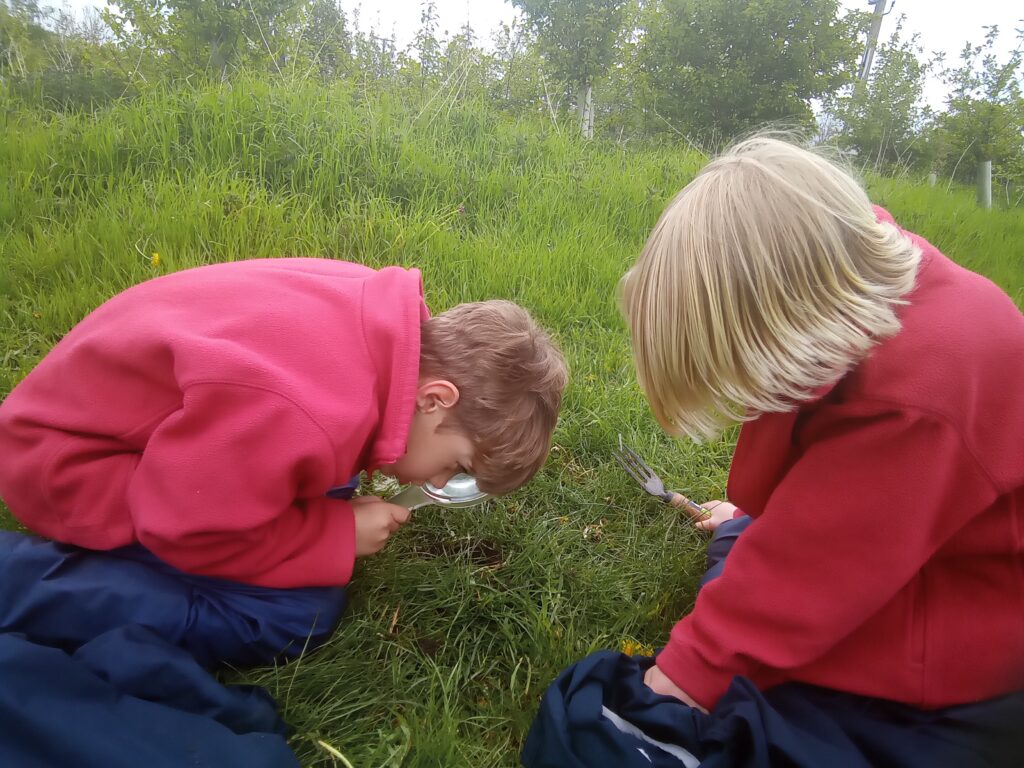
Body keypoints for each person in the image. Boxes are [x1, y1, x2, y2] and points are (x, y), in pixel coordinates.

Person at [525, 135, 1024, 766]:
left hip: (960, 655)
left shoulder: (919, 393)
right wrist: (753, 521)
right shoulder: (849, 272)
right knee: (747, 562)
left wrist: (675, 689)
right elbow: (837, 497)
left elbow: (815, 576)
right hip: (900, 563)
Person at [0, 257, 567, 654]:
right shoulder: (304, 413)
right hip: (66, 472)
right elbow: (186, 529)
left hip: (114, 430)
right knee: (296, 615)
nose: (440, 480)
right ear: (435, 399)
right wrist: (331, 537)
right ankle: (27, 580)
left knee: (324, 484)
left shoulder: (377, 325)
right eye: (456, 466)